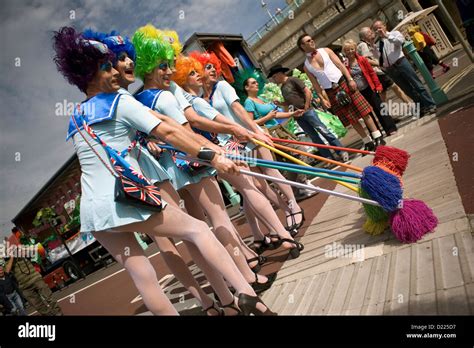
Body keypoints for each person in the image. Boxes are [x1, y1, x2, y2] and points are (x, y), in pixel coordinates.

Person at [54, 26, 274, 315]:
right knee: (197, 230)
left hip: (94, 212)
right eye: (107, 67)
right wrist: (213, 156)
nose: (116, 73)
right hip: (125, 198)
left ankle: (222, 301)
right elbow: (169, 132)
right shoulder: (117, 101)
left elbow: (155, 123)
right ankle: (246, 296)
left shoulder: (77, 114)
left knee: (143, 275)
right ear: (90, 74)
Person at [132, 26, 278, 295]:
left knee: (194, 232)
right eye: (163, 65)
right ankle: (247, 275)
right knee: (218, 217)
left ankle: (225, 290)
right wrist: (215, 151)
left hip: (169, 172)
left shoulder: (138, 99)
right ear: (150, 67)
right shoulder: (166, 95)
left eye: (170, 64)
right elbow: (187, 131)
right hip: (192, 162)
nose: (169, 71)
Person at [195, 50, 306, 250]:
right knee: (259, 185)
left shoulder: (222, 86)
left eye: (213, 66)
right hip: (234, 145)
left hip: (249, 136)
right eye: (206, 67)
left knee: (272, 171)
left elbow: (239, 110)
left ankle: (294, 205)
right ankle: (286, 211)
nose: (212, 70)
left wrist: (256, 131)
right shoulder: (203, 98)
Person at [296, 34, 385, 150]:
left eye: (312, 39)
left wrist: (350, 79)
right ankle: (367, 141)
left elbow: (340, 65)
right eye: (308, 41)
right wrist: (322, 99)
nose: (312, 41)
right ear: (302, 46)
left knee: (363, 111)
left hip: (343, 82)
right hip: (330, 91)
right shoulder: (306, 66)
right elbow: (315, 84)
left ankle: (377, 136)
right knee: (351, 117)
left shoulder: (326, 51)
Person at [267, 65, 351, 160]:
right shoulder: (282, 88)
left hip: (307, 111)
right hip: (298, 116)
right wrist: (281, 103)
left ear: (279, 74)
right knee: (314, 137)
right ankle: (328, 157)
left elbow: (307, 92)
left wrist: (306, 106)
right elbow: (290, 102)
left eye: (274, 77)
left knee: (323, 130)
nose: (274, 80)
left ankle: (341, 151)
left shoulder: (293, 80)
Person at [371, 20, 437, 117]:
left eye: (380, 27)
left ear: (384, 26)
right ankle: (422, 106)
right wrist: (374, 48)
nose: (379, 30)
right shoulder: (378, 43)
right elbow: (380, 57)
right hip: (391, 69)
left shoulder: (395, 34)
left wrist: (386, 36)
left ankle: (430, 104)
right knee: (407, 90)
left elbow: (400, 42)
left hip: (401, 62)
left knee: (417, 84)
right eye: (376, 30)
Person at [342, 39, 397, 136]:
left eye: (351, 49)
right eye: (347, 50)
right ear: (344, 52)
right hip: (357, 93)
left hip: (369, 88)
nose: (350, 52)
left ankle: (390, 128)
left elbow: (372, 73)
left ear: (355, 49)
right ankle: (376, 133)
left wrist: (378, 86)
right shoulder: (344, 65)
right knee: (366, 114)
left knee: (379, 108)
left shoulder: (362, 59)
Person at [358, 27, 412, 105]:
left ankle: (386, 114)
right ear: (364, 37)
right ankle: (410, 105)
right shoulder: (363, 45)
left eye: (371, 31)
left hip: (378, 72)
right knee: (394, 88)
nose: (372, 33)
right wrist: (380, 64)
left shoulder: (369, 44)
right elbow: (366, 60)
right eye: (369, 32)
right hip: (378, 72)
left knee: (384, 94)